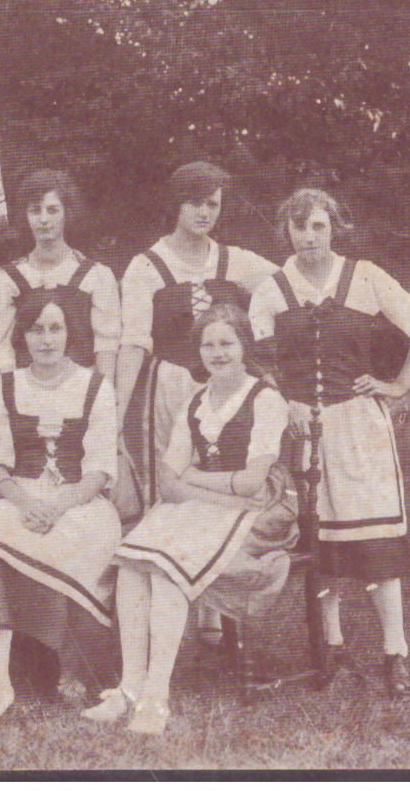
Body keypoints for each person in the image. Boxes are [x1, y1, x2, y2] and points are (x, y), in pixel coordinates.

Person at [248, 188, 410, 695]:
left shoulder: (366, 277)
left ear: (334, 227)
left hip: (358, 428)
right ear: (285, 232)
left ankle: (396, 651)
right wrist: (281, 398)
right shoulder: (271, 290)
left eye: (318, 226)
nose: (308, 237)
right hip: (302, 432)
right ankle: (329, 646)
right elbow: (261, 364)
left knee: (376, 541)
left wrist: (398, 385)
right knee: (319, 541)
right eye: (298, 227)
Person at [85, 305, 298, 735]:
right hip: (216, 504)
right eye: (208, 344)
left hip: (266, 509)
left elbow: (253, 482)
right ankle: (129, 687)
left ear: (243, 347)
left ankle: (156, 697)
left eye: (226, 343)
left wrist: (195, 482)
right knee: (131, 563)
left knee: (166, 572)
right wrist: (204, 489)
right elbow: (169, 480)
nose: (217, 353)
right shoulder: (196, 401)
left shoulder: (266, 399)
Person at [0, 294, 124, 728]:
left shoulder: (95, 386)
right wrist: (28, 503)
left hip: (78, 498)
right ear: (22, 335)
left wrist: (57, 506)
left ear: (70, 333)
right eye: (36, 330)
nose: (46, 340)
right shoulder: (6, 385)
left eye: (56, 328)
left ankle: (74, 663)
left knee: (83, 538)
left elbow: (101, 469)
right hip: (19, 494)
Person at [114, 162, 278, 512]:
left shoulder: (236, 260)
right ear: (176, 204)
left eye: (212, 204)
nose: (204, 212)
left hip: (230, 386)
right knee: (170, 480)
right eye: (194, 202)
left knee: (225, 472)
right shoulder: (145, 267)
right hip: (169, 387)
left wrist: (259, 348)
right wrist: (116, 409)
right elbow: (134, 342)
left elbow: (288, 290)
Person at [0, 168, 122, 383]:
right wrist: (14, 392)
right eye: (35, 210)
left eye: (52, 210)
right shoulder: (8, 279)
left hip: (81, 392)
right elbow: (0, 347)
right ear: (25, 215)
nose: (43, 219)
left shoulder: (96, 275)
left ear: (67, 212)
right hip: (28, 393)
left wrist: (101, 396)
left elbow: (106, 345)